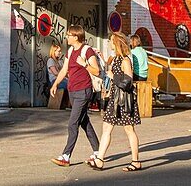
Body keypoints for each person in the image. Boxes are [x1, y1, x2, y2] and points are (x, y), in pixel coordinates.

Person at [50, 25, 100, 168]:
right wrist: (55, 84)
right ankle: (98, 152)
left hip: (84, 91)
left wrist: (84, 64)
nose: (66, 37)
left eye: (68, 35)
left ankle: (66, 156)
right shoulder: (70, 51)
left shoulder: (87, 51)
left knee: (73, 123)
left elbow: (96, 71)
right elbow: (64, 69)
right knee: (84, 122)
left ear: (76, 37)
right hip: (73, 91)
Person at [90, 32, 141, 172]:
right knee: (106, 128)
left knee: (129, 129)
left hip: (124, 100)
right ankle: (100, 159)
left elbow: (128, 81)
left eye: (111, 41)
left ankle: (136, 161)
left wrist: (114, 77)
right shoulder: (116, 59)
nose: (109, 43)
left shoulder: (125, 60)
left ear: (117, 43)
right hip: (114, 99)